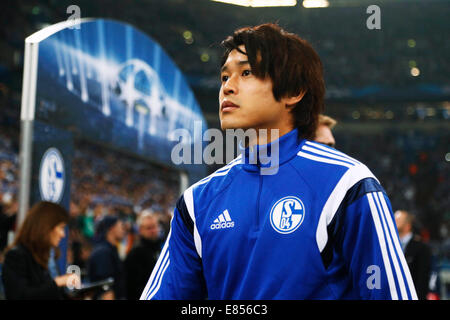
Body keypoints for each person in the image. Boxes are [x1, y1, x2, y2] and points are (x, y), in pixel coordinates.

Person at [141, 23, 417, 300]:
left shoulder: (348, 184)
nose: (227, 87)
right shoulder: (196, 202)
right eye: (224, 77)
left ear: (293, 92)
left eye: (246, 73)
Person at [1, 201, 79, 300]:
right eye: (61, 228)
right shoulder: (16, 256)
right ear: (46, 227)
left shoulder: (49, 256)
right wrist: (57, 282)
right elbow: (19, 296)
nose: (63, 234)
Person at [124, 210, 162, 300]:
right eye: (148, 228)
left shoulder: (160, 248)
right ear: (140, 230)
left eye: (154, 227)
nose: (153, 231)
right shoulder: (135, 253)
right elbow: (132, 287)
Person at [395, 210, 432, 300]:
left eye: (398, 220)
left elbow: (422, 279)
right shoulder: (389, 245)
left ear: (407, 226)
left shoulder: (421, 248)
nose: (394, 221)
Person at [87, 215, 126, 300]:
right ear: (112, 228)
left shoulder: (111, 249)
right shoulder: (103, 252)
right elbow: (105, 287)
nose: (124, 230)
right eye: (121, 227)